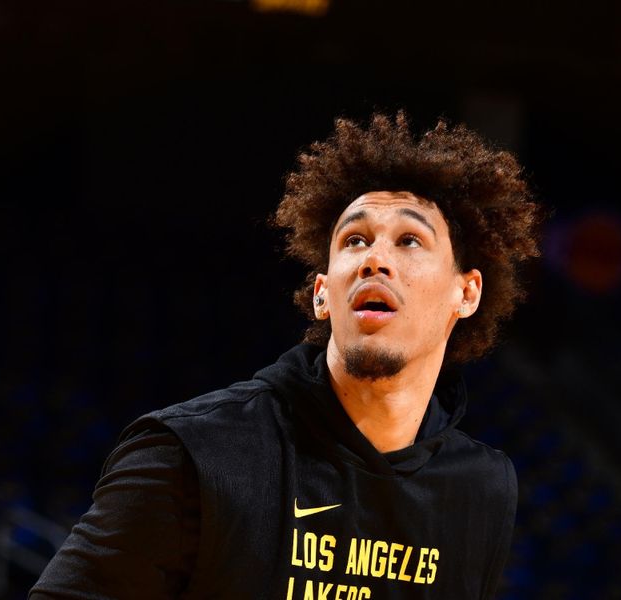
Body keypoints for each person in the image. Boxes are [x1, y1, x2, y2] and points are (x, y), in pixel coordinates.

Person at [30, 112, 541, 599]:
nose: (375, 260)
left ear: (467, 294)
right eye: (355, 240)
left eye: (410, 240)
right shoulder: (196, 454)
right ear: (322, 293)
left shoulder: (481, 490)